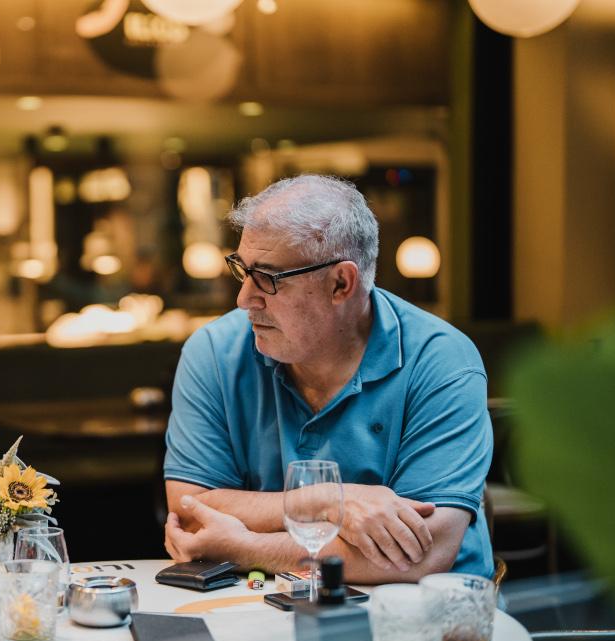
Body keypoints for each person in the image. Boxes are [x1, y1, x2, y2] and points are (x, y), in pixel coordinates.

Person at [163, 175, 494, 582]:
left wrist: (245, 547)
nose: (244, 297)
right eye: (242, 270)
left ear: (341, 283)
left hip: (426, 621)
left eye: (268, 277)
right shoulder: (215, 351)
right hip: (265, 610)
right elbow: (189, 513)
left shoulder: (440, 359)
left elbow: (425, 550)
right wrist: (324, 501)